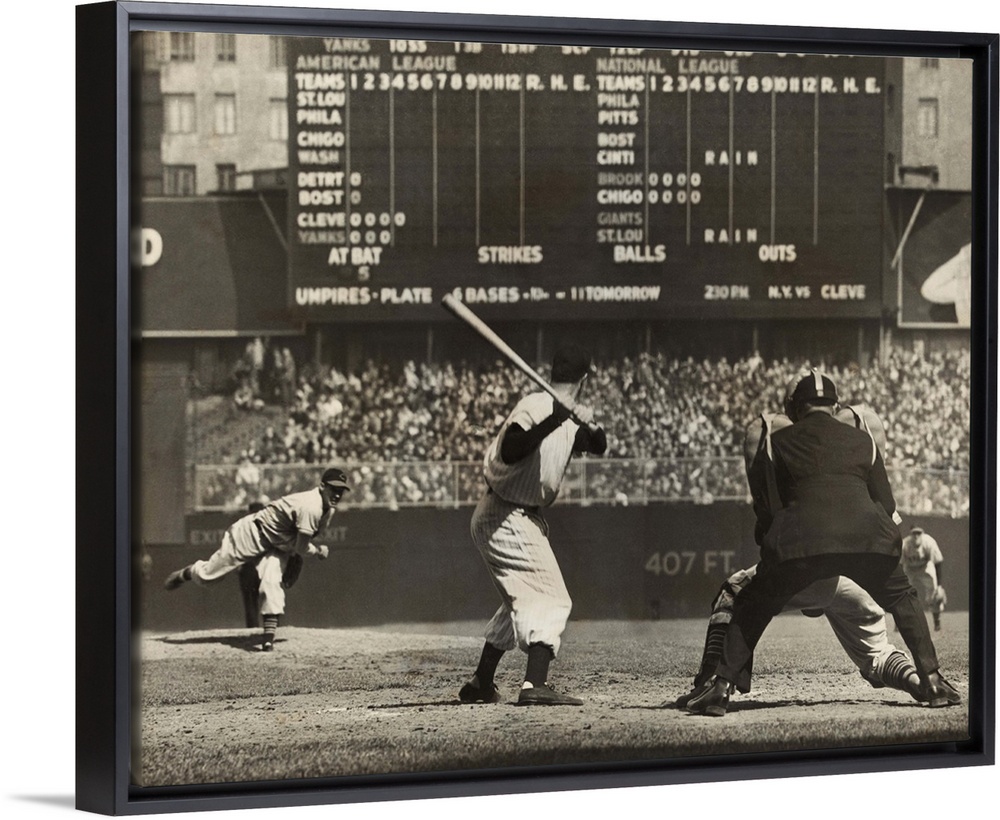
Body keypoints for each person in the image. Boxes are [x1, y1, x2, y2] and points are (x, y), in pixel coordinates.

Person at [686, 369, 960, 717]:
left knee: (748, 602)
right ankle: (931, 679)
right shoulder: (864, 438)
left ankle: (717, 686)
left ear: (794, 408)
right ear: (836, 405)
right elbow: (887, 505)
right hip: (865, 547)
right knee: (902, 601)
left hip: (802, 546)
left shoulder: (776, 440)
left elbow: (768, 512)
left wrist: (775, 557)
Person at [458, 346, 607, 706]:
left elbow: (598, 446)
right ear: (584, 380)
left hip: (516, 516)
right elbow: (511, 449)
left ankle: (481, 682)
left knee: (520, 601)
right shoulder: (536, 405)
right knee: (552, 598)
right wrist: (556, 417)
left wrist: (592, 425)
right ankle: (533, 685)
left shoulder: (567, 418)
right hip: (505, 513)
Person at [164, 468, 350, 650]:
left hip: (278, 543)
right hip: (253, 534)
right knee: (208, 576)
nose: (337, 494)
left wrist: (295, 554)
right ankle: (187, 573)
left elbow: (302, 541)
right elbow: (302, 546)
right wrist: (316, 552)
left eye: (341, 491)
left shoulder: (328, 511)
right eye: (334, 489)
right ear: (322, 486)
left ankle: (268, 638)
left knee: (271, 579)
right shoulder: (311, 506)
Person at [900, 526, 947, 631]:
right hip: (910, 569)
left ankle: (937, 622)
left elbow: (938, 562)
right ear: (910, 534)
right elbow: (900, 564)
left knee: (935, 594)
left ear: (922, 534)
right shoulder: (905, 544)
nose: (916, 536)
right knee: (902, 594)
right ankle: (899, 622)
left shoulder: (929, 542)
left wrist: (939, 585)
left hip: (925, 568)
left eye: (919, 533)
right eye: (914, 533)